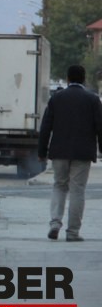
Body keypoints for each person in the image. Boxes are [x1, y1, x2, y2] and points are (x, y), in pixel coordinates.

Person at [39, 64, 102, 242]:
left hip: (59, 151)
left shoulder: (57, 99)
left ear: (67, 79)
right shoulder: (92, 99)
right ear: (83, 79)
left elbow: (46, 127)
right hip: (83, 153)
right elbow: (100, 128)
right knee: (77, 190)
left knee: (59, 186)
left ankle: (55, 224)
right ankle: (73, 232)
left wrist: (42, 150)